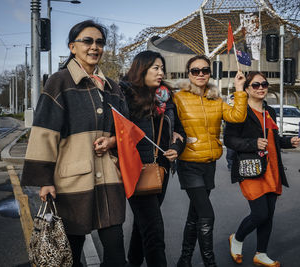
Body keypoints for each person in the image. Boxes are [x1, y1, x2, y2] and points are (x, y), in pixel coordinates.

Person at [21, 20, 127, 267]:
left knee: (116, 256)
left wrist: (113, 141)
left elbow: (127, 130)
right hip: (71, 184)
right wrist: (45, 180)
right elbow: (44, 133)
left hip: (110, 181)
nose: (94, 47)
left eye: (99, 42)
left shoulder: (113, 87)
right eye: (87, 41)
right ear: (72, 47)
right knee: (70, 258)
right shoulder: (59, 82)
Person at [107, 50, 186, 267]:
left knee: (143, 224)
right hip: (136, 168)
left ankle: (133, 262)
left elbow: (179, 131)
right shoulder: (126, 95)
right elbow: (117, 129)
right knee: (154, 228)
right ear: (142, 69)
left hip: (160, 169)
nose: (161, 73)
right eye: (155, 68)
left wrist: (176, 147)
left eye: (162, 68)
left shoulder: (167, 98)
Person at [173, 55, 248, 267]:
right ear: (188, 73)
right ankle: (210, 262)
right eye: (195, 70)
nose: (200, 74)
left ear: (209, 73)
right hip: (188, 162)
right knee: (207, 214)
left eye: (204, 70)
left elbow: (237, 117)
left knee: (195, 214)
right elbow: (169, 122)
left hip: (209, 163)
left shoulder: (216, 99)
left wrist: (240, 89)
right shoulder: (178, 98)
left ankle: (184, 259)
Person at [224, 71, 300, 267]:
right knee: (260, 214)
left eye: (264, 84)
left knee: (269, 215)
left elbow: (273, 139)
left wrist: (287, 142)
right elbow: (229, 140)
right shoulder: (240, 111)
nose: (261, 88)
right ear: (247, 88)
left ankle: (261, 253)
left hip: (272, 169)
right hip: (251, 169)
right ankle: (237, 239)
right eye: (256, 85)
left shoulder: (270, 111)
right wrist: (252, 143)